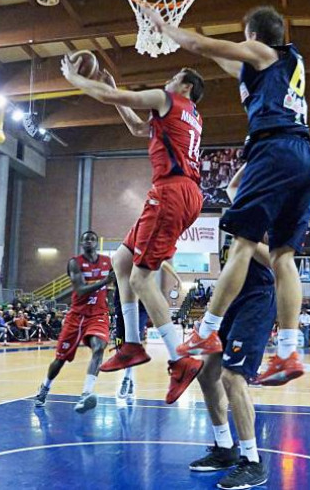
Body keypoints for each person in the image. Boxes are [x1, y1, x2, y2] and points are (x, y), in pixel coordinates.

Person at [145, 5, 310, 386]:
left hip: (274, 149)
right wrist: (205, 54)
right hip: (306, 160)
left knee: (243, 244)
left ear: (254, 36)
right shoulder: (272, 71)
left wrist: (164, 26)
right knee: (282, 256)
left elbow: (201, 44)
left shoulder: (265, 52)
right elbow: (219, 58)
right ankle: (288, 352)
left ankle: (207, 327)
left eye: (245, 37)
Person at [62, 57, 206, 404]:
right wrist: (112, 89)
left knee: (142, 279)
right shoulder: (192, 116)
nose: (168, 80)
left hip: (171, 191)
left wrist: (74, 79)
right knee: (121, 261)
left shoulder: (168, 99)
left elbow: (117, 99)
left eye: (175, 76)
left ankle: (180, 358)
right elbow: (139, 129)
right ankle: (130, 344)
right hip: (185, 192)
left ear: (185, 87)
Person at [189, 168, 274, 489]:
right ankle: (225, 448)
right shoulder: (246, 204)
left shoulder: (277, 212)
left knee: (231, 375)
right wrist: (254, 155)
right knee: (206, 373)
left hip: (256, 298)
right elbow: (232, 184)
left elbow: (279, 263)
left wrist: (246, 238)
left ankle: (252, 460)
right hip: (228, 300)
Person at [34, 231, 115, 413]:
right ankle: (45, 387)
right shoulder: (75, 263)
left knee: (99, 347)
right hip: (77, 316)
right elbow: (80, 290)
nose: (89, 241)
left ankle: (86, 393)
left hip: (98, 314)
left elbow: (116, 280)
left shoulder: (107, 262)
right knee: (60, 360)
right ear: (81, 243)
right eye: (86, 239)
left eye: (92, 239)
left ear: (96, 243)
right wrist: (104, 282)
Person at [114, 261, 181, 401]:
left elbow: (162, 263)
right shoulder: (121, 258)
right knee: (121, 348)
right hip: (121, 305)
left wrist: (177, 277)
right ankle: (130, 379)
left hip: (139, 307)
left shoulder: (144, 255)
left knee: (132, 343)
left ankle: (126, 379)